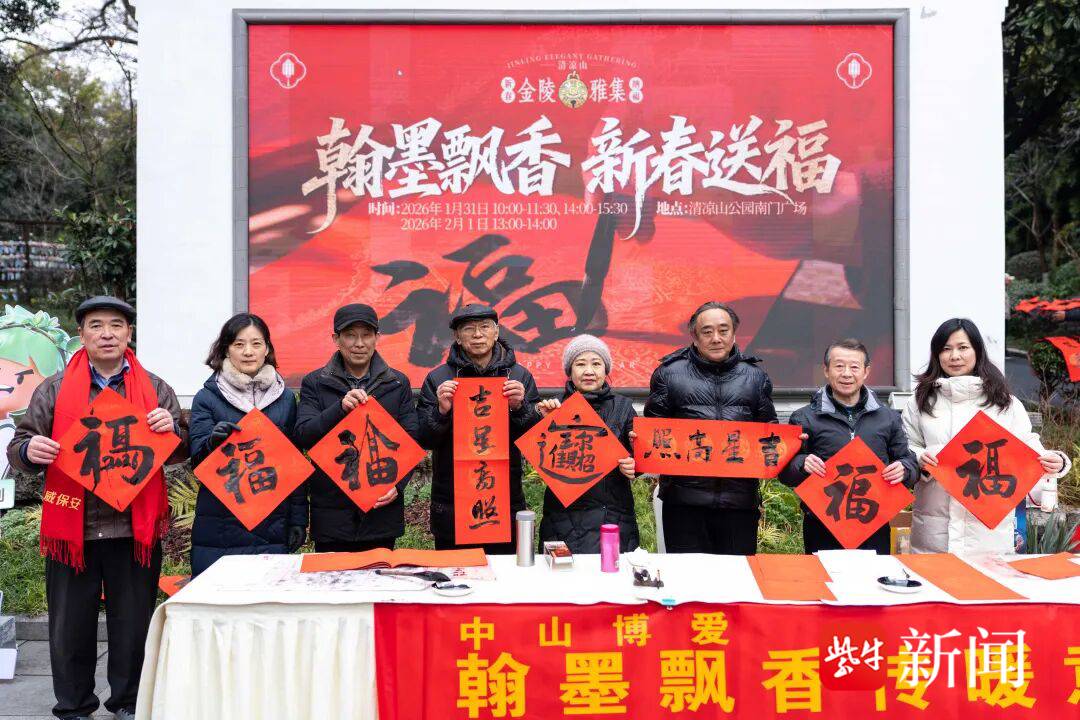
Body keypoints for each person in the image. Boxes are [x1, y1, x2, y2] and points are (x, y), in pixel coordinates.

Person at [7, 296, 188, 720]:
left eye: (116, 325)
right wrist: (30, 449)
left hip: (133, 528)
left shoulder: (155, 388)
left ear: (129, 334)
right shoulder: (53, 389)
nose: (107, 334)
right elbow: (19, 445)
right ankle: (74, 705)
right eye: (96, 325)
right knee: (70, 627)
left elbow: (181, 448)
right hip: (74, 528)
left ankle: (128, 701)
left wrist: (173, 431)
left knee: (133, 625)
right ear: (82, 334)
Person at [902, 318, 1071, 554]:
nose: (954, 356)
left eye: (963, 347)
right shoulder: (920, 401)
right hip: (934, 530)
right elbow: (907, 447)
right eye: (946, 349)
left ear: (977, 351)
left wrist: (1057, 461)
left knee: (986, 579)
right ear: (937, 354)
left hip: (988, 534)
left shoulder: (1004, 401)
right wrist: (921, 458)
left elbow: (1028, 447)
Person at [644, 301, 777, 555]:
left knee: (737, 575)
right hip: (684, 504)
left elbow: (768, 432)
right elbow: (653, 433)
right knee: (688, 576)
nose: (716, 338)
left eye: (723, 330)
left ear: (734, 334)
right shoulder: (668, 374)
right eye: (707, 332)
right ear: (694, 337)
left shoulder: (755, 377)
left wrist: (792, 446)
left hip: (739, 503)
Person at [187, 313, 306, 575]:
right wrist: (212, 442)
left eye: (256, 343)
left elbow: (293, 464)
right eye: (239, 344)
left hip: (273, 522)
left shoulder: (285, 399)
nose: (248, 352)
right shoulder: (207, 398)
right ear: (225, 350)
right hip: (220, 524)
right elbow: (196, 461)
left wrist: (298, 519)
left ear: (267, 349)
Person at [294, 303, 418, 552]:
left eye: (366, 335)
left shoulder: (396, 383)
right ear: (336, 339)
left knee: (380, 573)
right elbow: (304, 435)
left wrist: (398, 485)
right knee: (332, 575)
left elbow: (412, 439)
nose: (359, 343)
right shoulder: (315, 382)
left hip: (381, 510)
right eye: (350, 335)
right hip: (331, 513)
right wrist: (339, 408)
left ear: (377, 338)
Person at [417, 303, 541, 553]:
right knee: (458, 572)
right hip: (453, 502)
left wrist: (520, 408)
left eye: (484, 327)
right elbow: (424, 439)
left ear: (496, 332)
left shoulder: (519, 377)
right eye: (468, 329)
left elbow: (535, 439)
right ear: (457, 337)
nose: (477, 335)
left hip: (503, 499)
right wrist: (441, 411)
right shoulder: (438, 379)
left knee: (503, 573)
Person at [780, 338, 918, 554]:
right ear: (826, 370)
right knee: (824, 576)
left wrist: (905, 469)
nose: (846, 374)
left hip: (873, 522)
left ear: (866, 371)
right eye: (839, 366)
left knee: (874, 576)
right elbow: (785, 473)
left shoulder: (888, 417)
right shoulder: (804, 418)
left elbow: (909, 462)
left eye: (854, 367)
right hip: (822, 523)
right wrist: (802, 463)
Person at [534, 335, 639, 553]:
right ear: (569, 371)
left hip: (614, 516)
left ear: (606, 369)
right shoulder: (554, 407)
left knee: (612, 573)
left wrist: (633, 465)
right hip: (563, 519)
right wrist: (542, 421)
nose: (589, 371)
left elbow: (638, 456)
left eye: (596, 364)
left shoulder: (623, 407)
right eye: (580, 364)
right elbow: (539, 454)